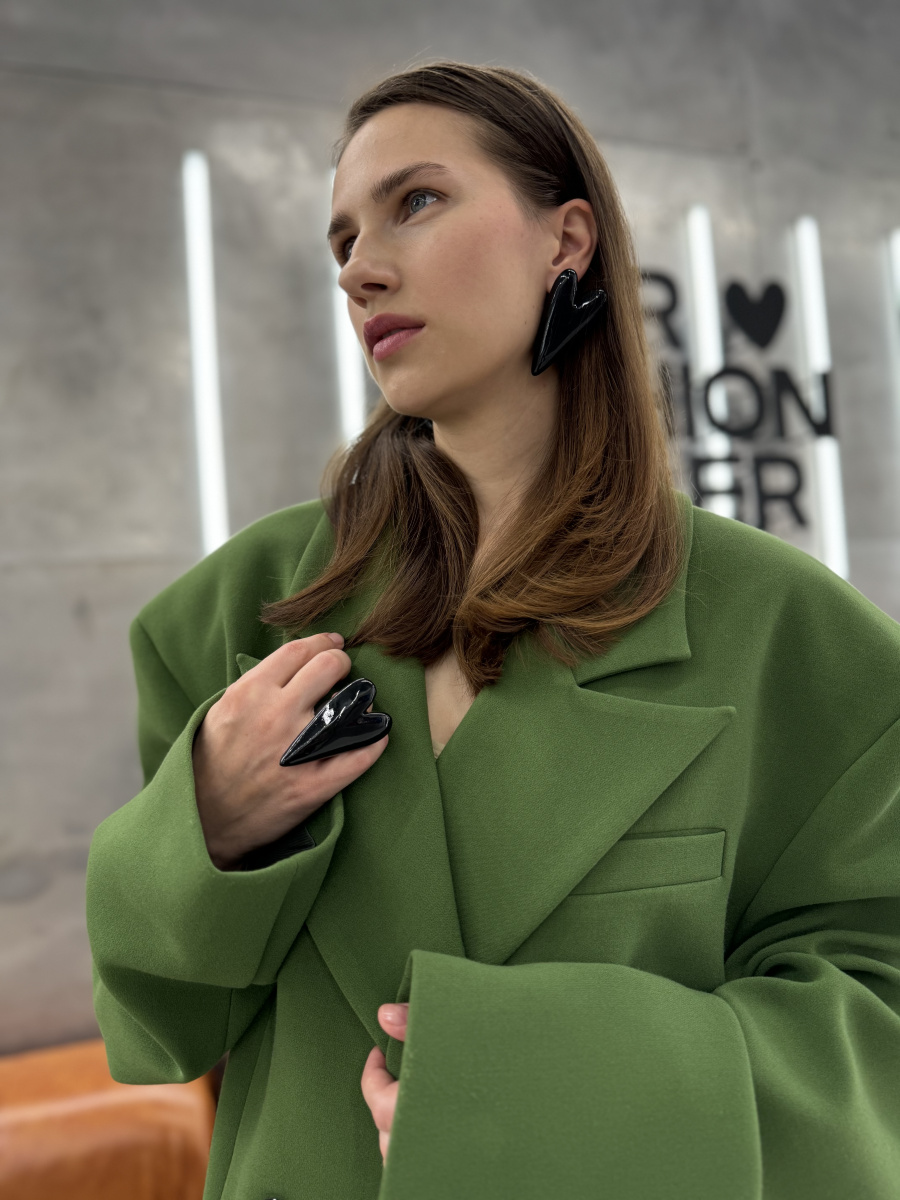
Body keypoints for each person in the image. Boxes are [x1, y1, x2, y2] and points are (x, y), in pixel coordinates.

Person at [86, 60, 900, 1200]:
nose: (360, 269)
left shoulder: (797, 640)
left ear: (567, 240)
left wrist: (534, 1098)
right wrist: (202, 830)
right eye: (341, 241)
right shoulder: (237, 613)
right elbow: (158, 1028)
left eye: (416, 201)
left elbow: (874, 1022)